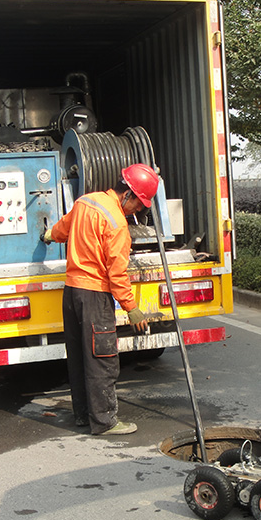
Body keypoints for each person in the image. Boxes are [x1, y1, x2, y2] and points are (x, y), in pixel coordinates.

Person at [42, 163, 159, 436]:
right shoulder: (117, 224)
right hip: (95, 295)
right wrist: (131, 308)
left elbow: (63, 227)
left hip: (72, 293)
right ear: (127, 194)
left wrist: (49, 235)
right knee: (101, 358)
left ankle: (83, 415)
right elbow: (117, 273)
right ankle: (105, 421)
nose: (137, 212)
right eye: (139, 206)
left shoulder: (86, 202)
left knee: (79, 357)